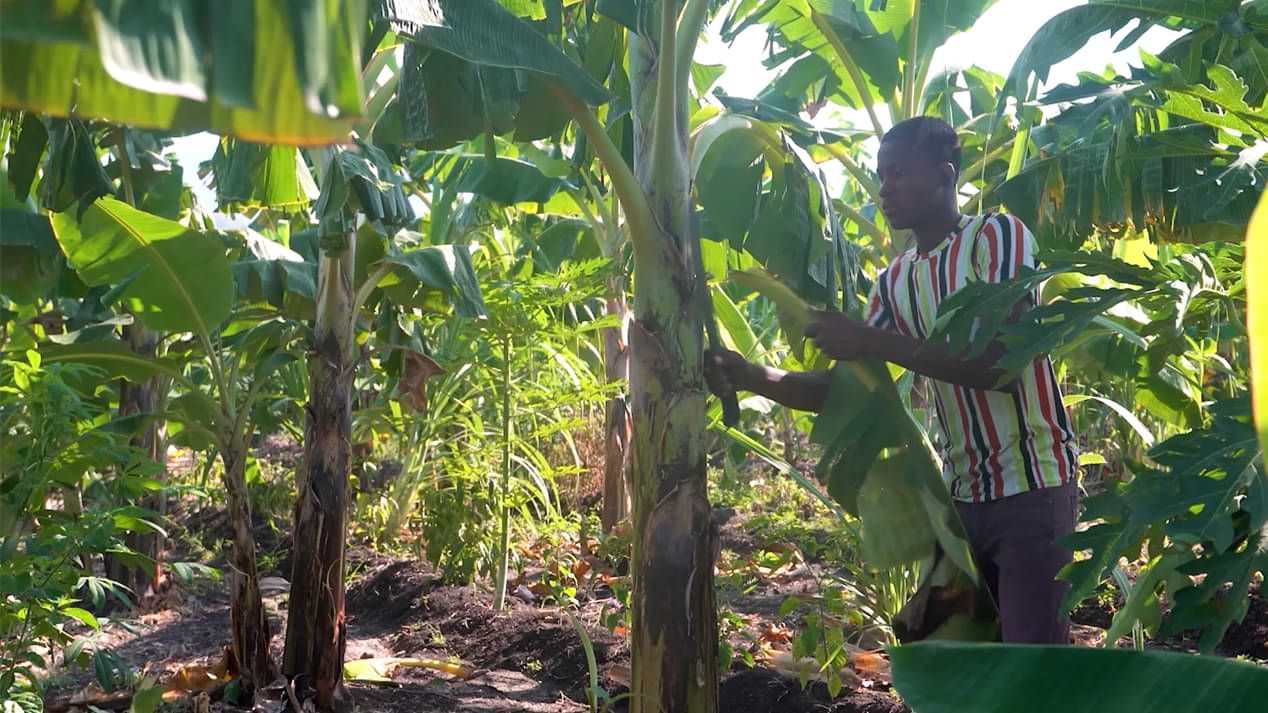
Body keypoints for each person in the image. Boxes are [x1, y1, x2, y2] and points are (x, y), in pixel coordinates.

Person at [706, 116, 1080, 644]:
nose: (885, 189)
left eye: (900, 173)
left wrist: (870, 341)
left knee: (1035, 666)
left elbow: (999, 364)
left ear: (946, 176)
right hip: (960, 502)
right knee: (960, 664)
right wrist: (752, 375)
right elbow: (847, 393)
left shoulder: (996, 237)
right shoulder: (896, 280)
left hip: (1032, 490)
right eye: (881, 176)